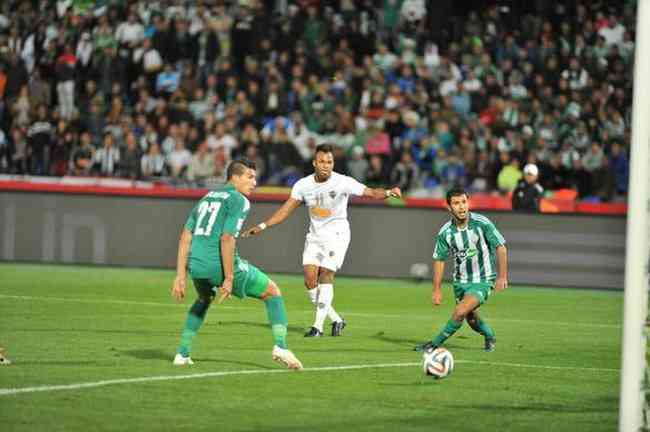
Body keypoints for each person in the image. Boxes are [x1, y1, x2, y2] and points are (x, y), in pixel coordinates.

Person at [243, 144, 402, 337]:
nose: (326, 165)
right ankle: (336, 319)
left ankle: (317, 327)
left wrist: (388, 192)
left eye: (330, 162)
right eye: (322, 162)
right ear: (314, 163)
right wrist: (262, 226)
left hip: (338, 234)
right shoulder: (303, 185)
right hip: (315, 236)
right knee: (310, 281)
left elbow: (370, 192)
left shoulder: (343, 181)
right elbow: (286, 210)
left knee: (326, 273)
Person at [171, 158, 303, 370]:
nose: (254, 182)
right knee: (272, 292)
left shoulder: (207, 197)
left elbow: (186, 236)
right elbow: (227, 238)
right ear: (235, 177)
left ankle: (182, 353)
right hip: (219, 265)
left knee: (204, 299)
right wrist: (229, 277)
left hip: (196, 266)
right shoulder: (239, 200)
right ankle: (281, 346)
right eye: (250, 177)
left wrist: (180, 276)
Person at [415, 186, 508, 353]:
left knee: (459, 312)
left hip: (483, 279)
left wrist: (502, 277)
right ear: (449, 207)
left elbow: (501, 247)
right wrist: (436, 289)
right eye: (456, 203)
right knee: (471, 319)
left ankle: (433, 345)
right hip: (460, 282)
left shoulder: (482, 223)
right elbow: (439, 260)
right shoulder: (445, 233)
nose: (462, 206)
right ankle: (490, 335)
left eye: (464, 202)